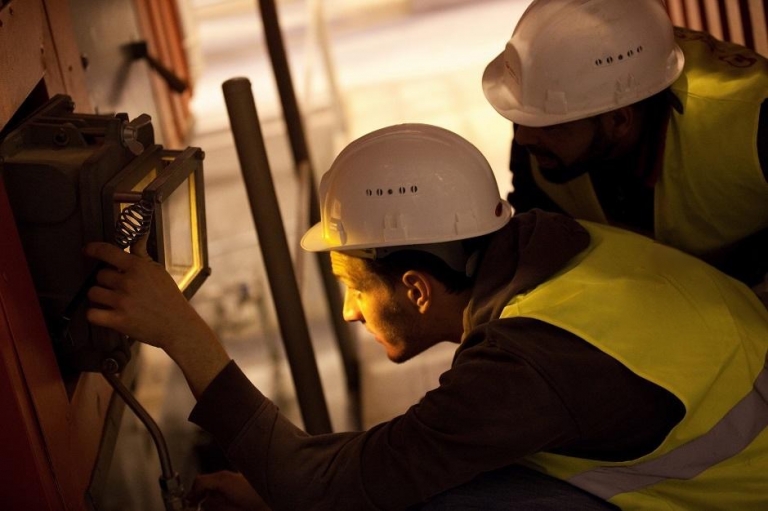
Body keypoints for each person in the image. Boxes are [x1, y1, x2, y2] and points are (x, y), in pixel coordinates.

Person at [84, 123, 768, 511]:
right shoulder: (556, 246)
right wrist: (285, 486)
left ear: (415, 288)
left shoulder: (526, 367)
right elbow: (408, 452)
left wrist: (183, 334)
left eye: (353, 287)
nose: (349, 312)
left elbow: (342, 487)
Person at [482, 0, 768, 292]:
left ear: (619, 120)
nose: (523, 138)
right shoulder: (548, 103)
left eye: (550, 126)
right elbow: (534, 232)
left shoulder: (751, 121)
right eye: (521, 119)